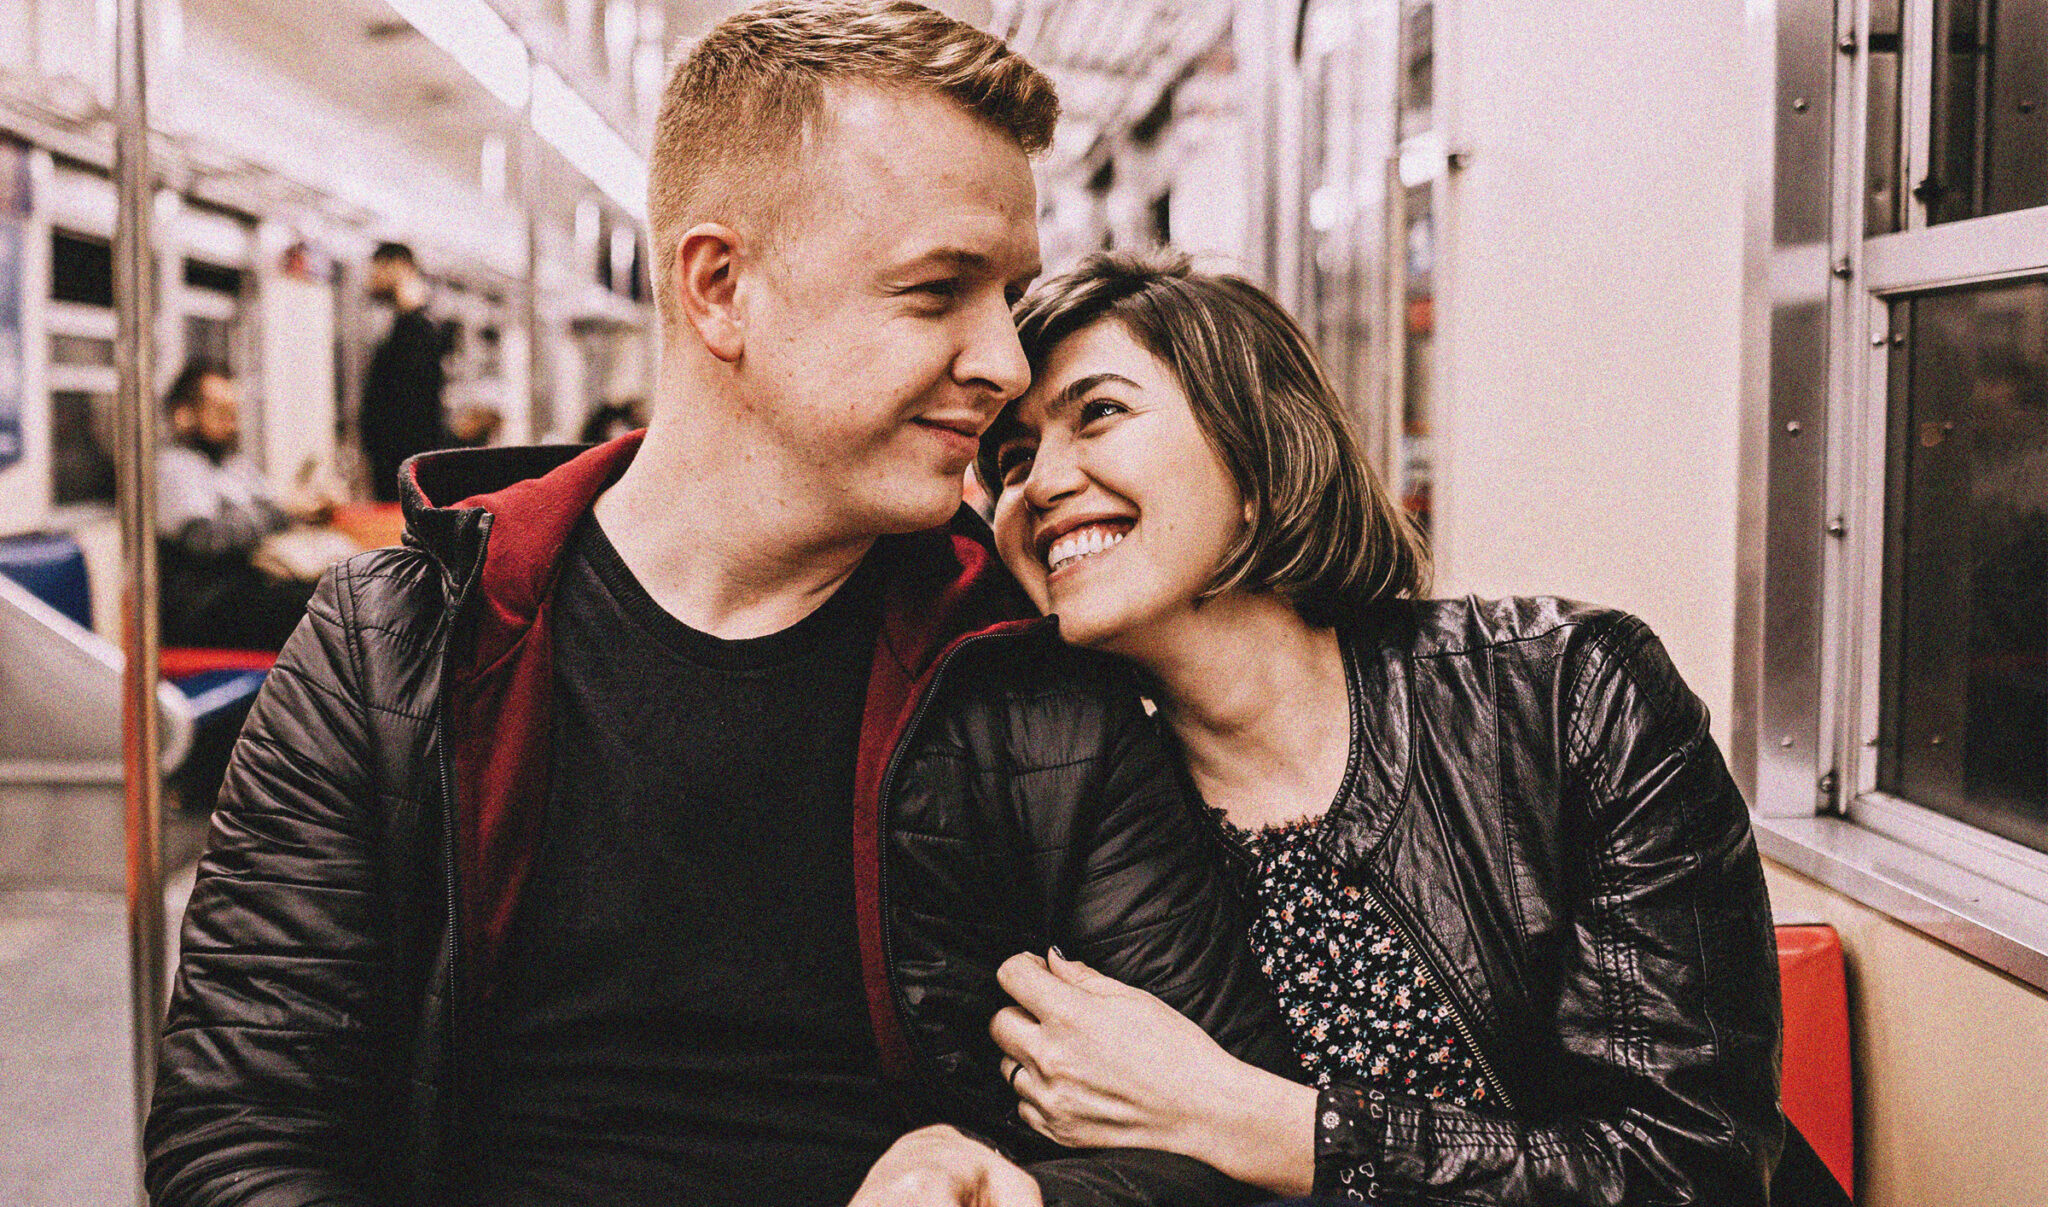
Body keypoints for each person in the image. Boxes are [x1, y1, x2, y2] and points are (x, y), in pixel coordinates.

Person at [145, 8, 1293, 1207]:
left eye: (1005, 295)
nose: (1005, 362)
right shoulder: (393, 654)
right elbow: (236, 1139)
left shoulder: (1022, 674)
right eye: (937, 289)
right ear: (720, 288)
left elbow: (1208, 1133)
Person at [976, 252, 1795, 1205]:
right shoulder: (1074, 818)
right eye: (1011, 460)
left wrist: (1245, 1117)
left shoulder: (1569, 693)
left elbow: (1689, 1167)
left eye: (1099, 412)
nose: (1039, 484)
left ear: (1261, 451)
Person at [155, 358, 319, 650]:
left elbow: (270, 508)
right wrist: (281, 511)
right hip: (200, 608)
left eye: (234, 413)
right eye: (221, 412)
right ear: (184, 415)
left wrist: (310, 507)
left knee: (335, 593)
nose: (232, 423)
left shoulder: (232, 464)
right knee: (320, 610)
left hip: (241, 591)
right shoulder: (175, 467)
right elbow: (206, 541)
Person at [361, 241, 451, 501]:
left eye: (376, 269)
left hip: (403, 468)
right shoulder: (404, 323)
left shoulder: (417, 328)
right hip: (397, 466)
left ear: (399, 267)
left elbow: (413, 408)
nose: (371, 278)